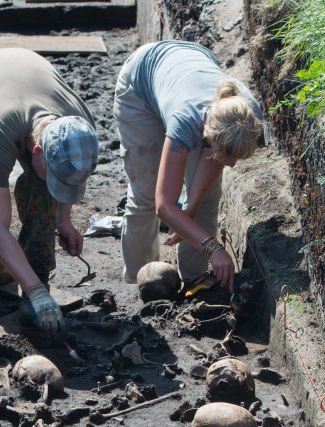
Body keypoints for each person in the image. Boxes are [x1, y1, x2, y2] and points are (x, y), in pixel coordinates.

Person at [0, 48, 99, 337]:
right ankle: (2, 279)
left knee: (41, 186)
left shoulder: (80, 129)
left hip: (23, 74)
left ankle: (36, 276)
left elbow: (67, 177)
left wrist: (63, 219)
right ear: (36, 150)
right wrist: (35, 292)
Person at [113, 40, 264, 293]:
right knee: (146, 196)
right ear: (208, 135)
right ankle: (140, 284)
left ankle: (195, 282)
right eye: (226, 154)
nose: (232, 164)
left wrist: (189, 212)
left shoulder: (247, 116)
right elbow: (164, 206)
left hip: (191, 69)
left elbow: (210, 167)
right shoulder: (185, 120)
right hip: (140, 84)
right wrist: (214, 247)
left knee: (206, 201)